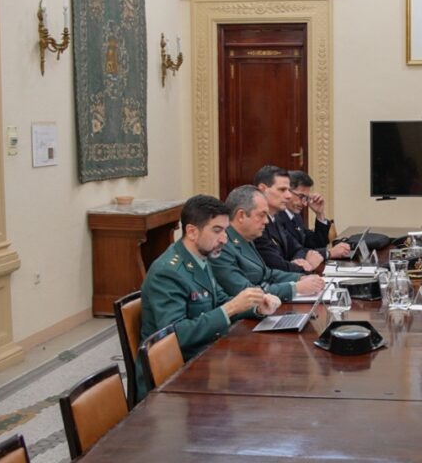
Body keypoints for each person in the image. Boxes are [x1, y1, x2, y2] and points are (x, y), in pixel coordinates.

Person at [138, 194, 281, 394]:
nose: (224, 239)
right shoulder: (168, 272)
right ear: (192, 232)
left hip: (205, 356)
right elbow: (173, 337)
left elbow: (219, 300)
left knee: (265, 371)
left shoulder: (201, 257)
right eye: (217, 231)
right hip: (174, 376)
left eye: (225, 231)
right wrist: (231, 308)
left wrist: (255, 306)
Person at [211, 184, 325, 300]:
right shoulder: (222, 247)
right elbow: (245, 292)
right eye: (261, 215)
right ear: (241, 215)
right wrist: (294, 288)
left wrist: (299, 278)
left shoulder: (246, 239)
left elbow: (267, 274)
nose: (266, 221)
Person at [252, 165, 324, 273]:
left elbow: (297, 248)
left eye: (288, 190)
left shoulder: (275, 218)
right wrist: (308, 265)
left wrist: (298, 260)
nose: (288, 196)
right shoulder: (257, 224)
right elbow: (275, 266)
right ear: (263, 189)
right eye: (282, 190)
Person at [280, 170, 351, 259]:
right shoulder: (277, 217)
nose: (305, 204)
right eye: (301, 196)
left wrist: (320, 214)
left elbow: (315, 244)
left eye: (306, 198)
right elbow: (294, 252)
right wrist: (328, 253)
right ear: (287, 192)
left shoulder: (296, 216)